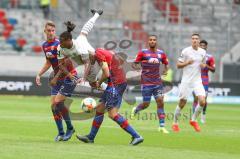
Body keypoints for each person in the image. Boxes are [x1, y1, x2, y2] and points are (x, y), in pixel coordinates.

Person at [76, 48, 144, 146]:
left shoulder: (98, 55)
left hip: (116, 83)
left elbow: (106, 72)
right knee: (100, 109)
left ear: (90, 55)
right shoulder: (99, 52)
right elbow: (102, 63)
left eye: (87, 59)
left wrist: (99, 83)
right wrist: (84, 78)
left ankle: (137, 136)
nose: (89, 62)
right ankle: (90, 137)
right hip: (118, 82)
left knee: (112, 114)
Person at [36, 21, 77, 141]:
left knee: (59, 103)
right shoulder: (44, 46)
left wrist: (55, 77)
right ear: (45, 31)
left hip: (68, 77)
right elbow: (49, 62)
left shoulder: (60, 44)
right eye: (48, 30)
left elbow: (64, 62)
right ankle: (60, 133)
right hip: (57, 78)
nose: (51, 33)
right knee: (54, 106)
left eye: (53, 30)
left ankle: (70, 128)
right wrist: (39, 74)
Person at [130, 35, 169, 134]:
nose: (152, 41)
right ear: (148, 42)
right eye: (151, 40)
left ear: (156, 41)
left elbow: (165, 64)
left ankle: (161, 126)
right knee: (146, 104)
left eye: (154, 40)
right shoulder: (143, 53)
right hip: (146, 83)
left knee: (160, 102)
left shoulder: (161, 54)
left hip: (157, 82)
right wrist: (139, 67)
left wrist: (165, 70)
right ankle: (136, 109)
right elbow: (134, 64)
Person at [172, 33, 207, 132]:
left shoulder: (203, 52)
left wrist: (203, 65)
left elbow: (203, 63)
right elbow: (178, 65)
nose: (195, 40)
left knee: (202, 101)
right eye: (193, 39)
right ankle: (175, 123)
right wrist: (187, 62)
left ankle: (193, 120)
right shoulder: (186, 51)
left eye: (196, 39)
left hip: (197, 81)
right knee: (182, 102)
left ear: (199, 41)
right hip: (186, 81)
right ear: (191, 40)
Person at [58, 9, 103, 81]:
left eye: (62, 42)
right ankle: (96, 15)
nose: (60, 43)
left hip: (93, 60)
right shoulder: (60, 47)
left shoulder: (80, 48)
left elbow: (87, 64)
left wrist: (84, 78)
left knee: (92, 82)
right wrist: (69, 75)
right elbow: (60, 64)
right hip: (81, 59)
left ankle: (108, 88)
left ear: (69, 40)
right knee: (83, 32)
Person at [192, 40, 215, 123]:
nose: (202, 46)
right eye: (200, 45)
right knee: (195, 98)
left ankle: (203, 115)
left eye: (204, 45)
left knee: (204, 99)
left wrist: (206, 65)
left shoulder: (210, 57)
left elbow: (213, 69)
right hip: (194, 79)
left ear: (206, 46)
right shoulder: (194, 55)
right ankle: (193, 117)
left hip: (204, 80)